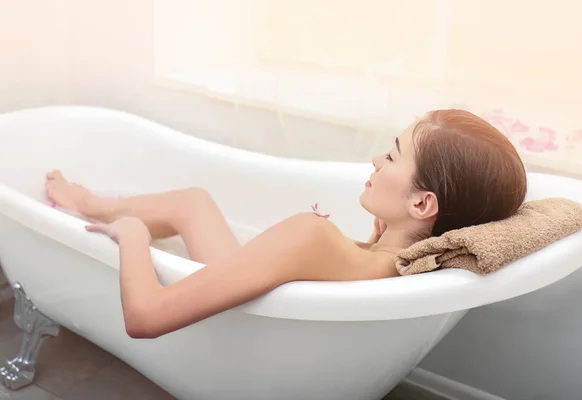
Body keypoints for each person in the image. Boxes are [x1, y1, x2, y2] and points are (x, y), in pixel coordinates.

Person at [44, 109, 527, 339]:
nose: (375, 159)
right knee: (193, 202)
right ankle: (91, 201)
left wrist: (133, 237)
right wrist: (374, 237)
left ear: (423, 204)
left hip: (237, 325)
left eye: (393, 155)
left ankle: (101, 211)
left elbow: (145, 319)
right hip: (264, 294)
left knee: (183, 205)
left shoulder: (313, 234)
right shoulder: (402, 263)